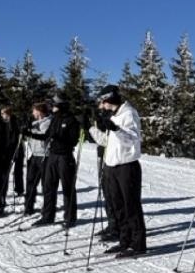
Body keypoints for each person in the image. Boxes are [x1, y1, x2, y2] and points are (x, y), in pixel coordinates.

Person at [88, 84, 147, 256]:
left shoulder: (129, 113)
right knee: (117, 206)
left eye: (102, 101)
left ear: (109, 98)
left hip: (127, 166)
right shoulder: (114, 116)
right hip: (112, 166)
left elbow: (133, 139)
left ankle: (137, 244)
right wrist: (91, 128)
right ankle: (124, 240)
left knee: (131, 206)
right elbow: (107, 142)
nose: (101, 105)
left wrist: (116, 128)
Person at [39, 94, 80, 228]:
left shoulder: (71, 120)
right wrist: (29, 133)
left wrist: (59, 138)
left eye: (54, 105)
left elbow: (73, 140)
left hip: (65, 157)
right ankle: (47, 216)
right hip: (53, 155)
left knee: (67, 188)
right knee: (49, 186)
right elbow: (47, 135)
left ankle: (70, 218)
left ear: (61, 106)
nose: (51, 107)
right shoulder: (54, 119)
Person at [22, 102, 52, 215]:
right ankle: (28, 206)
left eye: (34, 111)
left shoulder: (48, 122)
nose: (32, 113)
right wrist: (25, 129)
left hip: (45, 155)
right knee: (30, 182)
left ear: (39, 111)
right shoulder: (34, 123)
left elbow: (43, 136)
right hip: (34, 155)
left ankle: (47, 208)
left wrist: (30, 132)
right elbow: (30, 136)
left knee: (46, 184)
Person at [1, 105, 24, 200]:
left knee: (18, 170)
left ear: (7, 113)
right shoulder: (3, 123)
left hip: (16, 149)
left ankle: (19, 189)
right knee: (5, 171)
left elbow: (17, 136)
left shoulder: (15, 122)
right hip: (7, 150)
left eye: (3, 113)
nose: (1, 115)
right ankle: (3, 190)